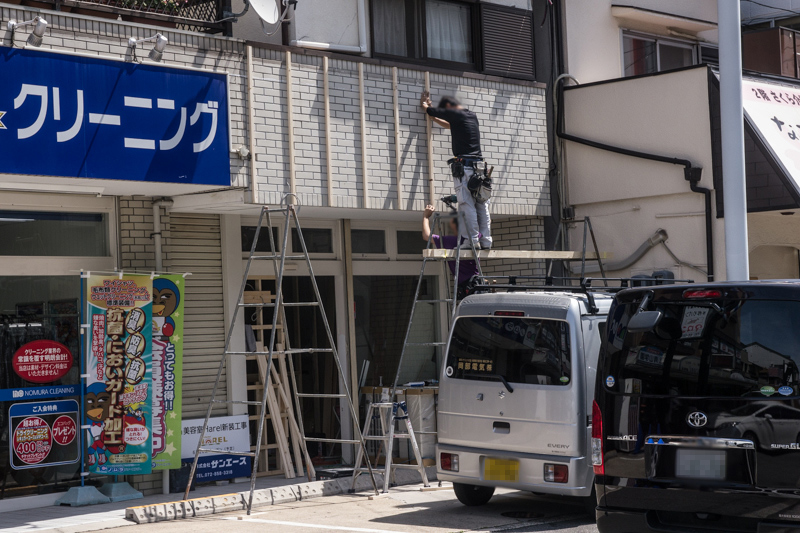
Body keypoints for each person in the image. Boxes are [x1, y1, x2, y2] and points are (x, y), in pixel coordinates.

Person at [420, 91, 492, 250]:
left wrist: (425, 105)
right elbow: (448, 124)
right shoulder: (471, 116)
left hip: (465, 167)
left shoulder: (455, 113)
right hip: (479, 168)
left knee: (467, 204)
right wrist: (435, 118)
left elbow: (431, 111)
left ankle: (472, 240)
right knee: (481, 204)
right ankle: (486, 241)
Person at [422, 205, 480, 300]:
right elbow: (486, 223)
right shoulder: (474, 239)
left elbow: (427, 236)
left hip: (466, 286)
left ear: (453, 224)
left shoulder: (451, 241)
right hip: (476, 282)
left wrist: (426, 216)